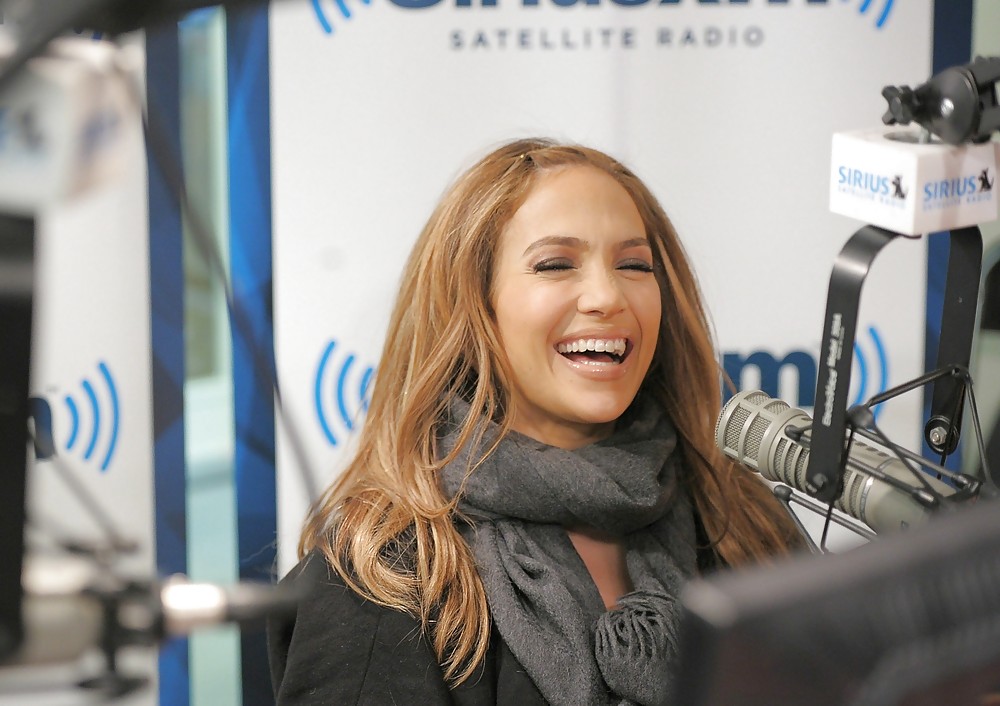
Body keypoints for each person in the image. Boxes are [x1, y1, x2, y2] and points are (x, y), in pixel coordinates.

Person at [267, 137, 805, 705]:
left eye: (633, 264)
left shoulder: (741, 517)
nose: (606, 295)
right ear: (474, 305)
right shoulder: (383, 577)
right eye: (555, 264)